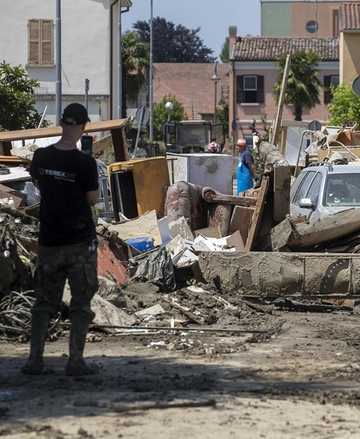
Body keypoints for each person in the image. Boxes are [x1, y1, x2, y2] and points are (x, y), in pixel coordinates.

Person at [22, 103, 100, 376]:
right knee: (80, 304)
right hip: (79, 242)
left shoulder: (42, 157)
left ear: (62, 124)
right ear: (82, 127)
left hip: (49, 240)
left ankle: (34, 361)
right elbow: (92, 199)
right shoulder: (85, 163)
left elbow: (38, 182)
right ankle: (75, 362)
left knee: (43, 302)